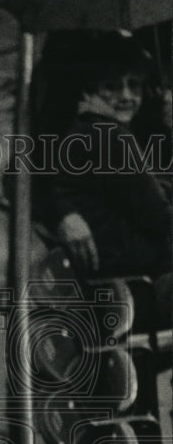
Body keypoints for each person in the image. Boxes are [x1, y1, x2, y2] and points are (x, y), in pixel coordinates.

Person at [49, 34, 171, 328]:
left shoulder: (85, 129)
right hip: (134, 287)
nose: (127, 95)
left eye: (134, 85)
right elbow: (161, 220)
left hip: (109, 283)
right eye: (112, 86)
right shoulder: (111, 137)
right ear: (90, 90)